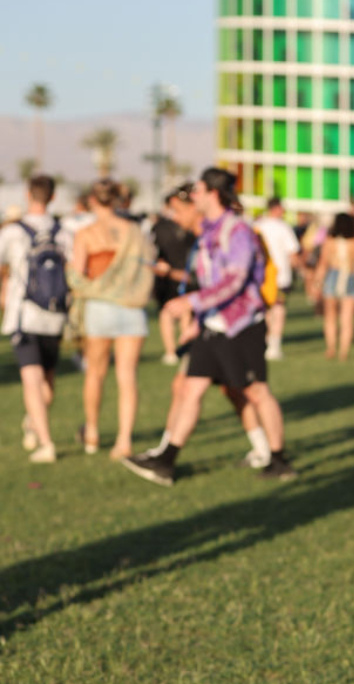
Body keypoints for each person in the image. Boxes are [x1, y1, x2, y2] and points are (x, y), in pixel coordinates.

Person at [121, 167, 295, 486]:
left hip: (241, 325)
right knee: (189, 387)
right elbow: (212, 279)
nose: (193, 195)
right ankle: (166, 460)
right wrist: (198, 321)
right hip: (213, 325)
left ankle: (279, 459)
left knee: (256, 392)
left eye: (198, 190)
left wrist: (192, 304)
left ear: (214, 193)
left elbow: (235, 280)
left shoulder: (237, 230)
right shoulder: (210, 231)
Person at [67, 179, 154, 459]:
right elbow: (146, 268)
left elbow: (79, 275)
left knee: (95, 372)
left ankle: (92, 431)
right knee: (127, 376)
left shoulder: (86, 233)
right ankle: (124, 440)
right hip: (131, 307)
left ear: (93, 200)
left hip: (99, 308)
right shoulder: (133, 231)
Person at [0, 174, 71, 462]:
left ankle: (45, 442)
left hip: (24, 315)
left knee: (32, 380)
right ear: (53, 197)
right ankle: (36, 425)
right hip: (55, 316)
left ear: (29, 195)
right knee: (47, 381)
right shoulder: (64, 232)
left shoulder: (13, 232)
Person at [151, 182, 200, 365]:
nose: (176, 217)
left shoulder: (209, 237)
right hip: (173, 282)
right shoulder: (161, 228)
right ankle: (175, 350)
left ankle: (181, 348)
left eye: (178, 211)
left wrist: (171, 272)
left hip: (185, 283)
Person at [253, 196, 301, 360]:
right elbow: (293, 253)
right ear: (277, 208)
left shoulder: (257, 225)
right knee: (278, 309)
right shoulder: (283, 227)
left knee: (265, 309)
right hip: (280, 276)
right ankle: (274, 345)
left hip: (261, 275)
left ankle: (264, 342)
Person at [313, 212, 354, 360]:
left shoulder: (329, 241)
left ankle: (331, 348)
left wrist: (317, 281)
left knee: (330, 316)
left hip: (332, 277)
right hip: (351, 276)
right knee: (347, 318)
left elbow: (323, 263)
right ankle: (343, 352)